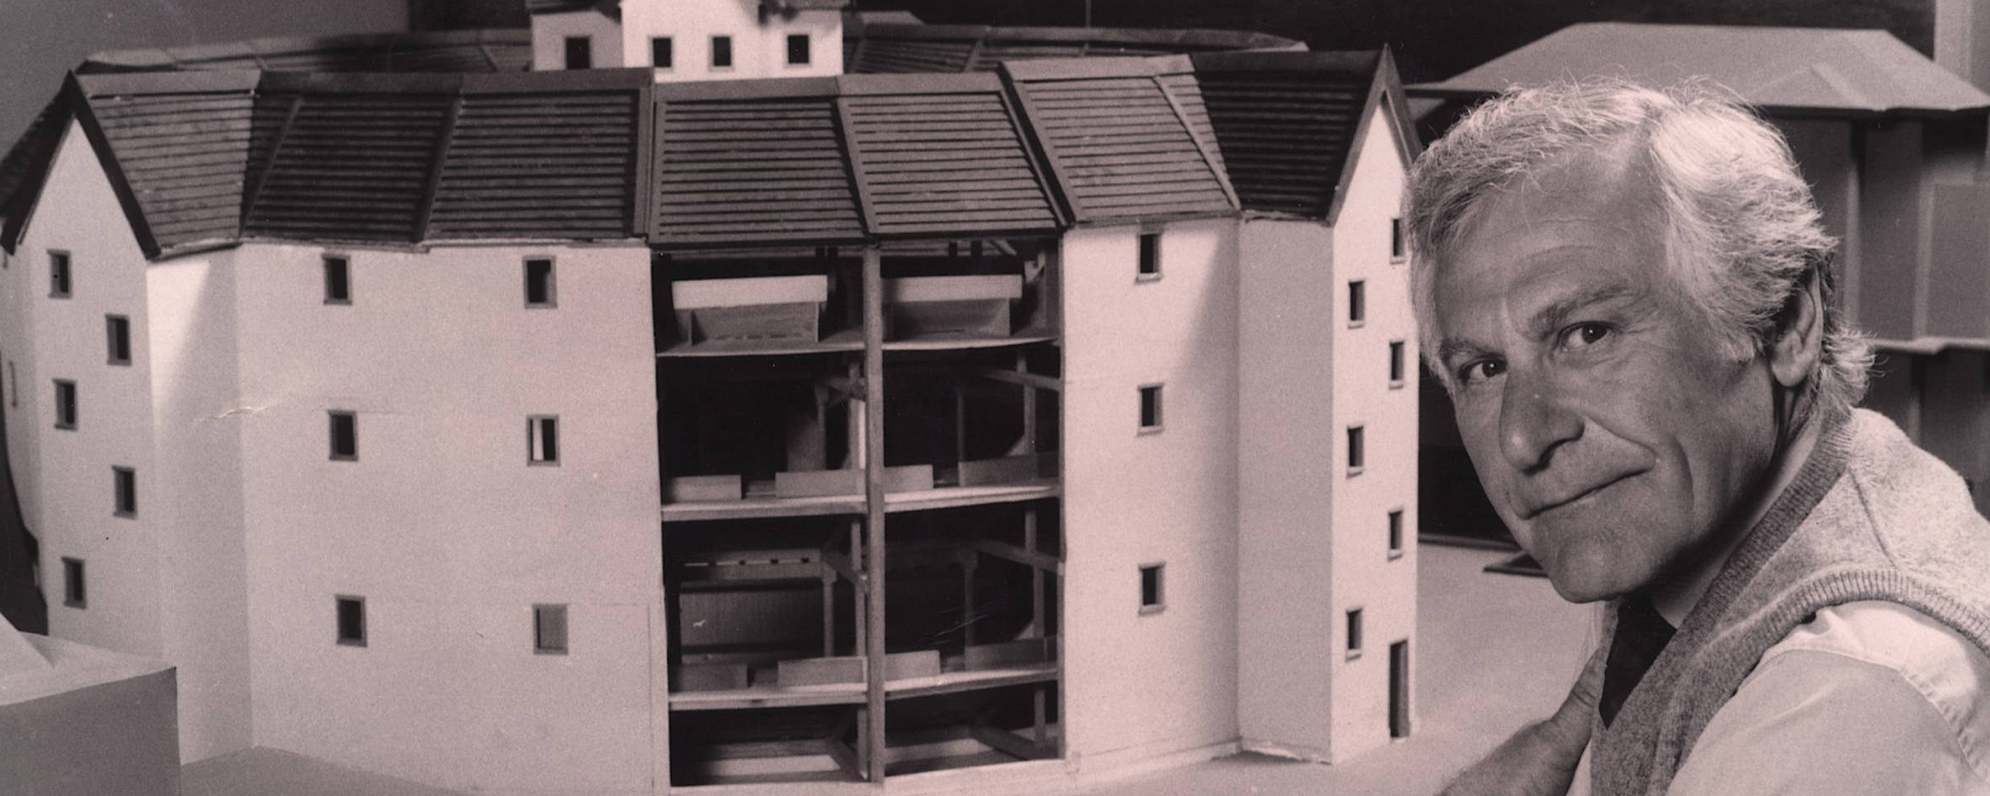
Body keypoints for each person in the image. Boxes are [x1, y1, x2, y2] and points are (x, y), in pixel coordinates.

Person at [1402, 79, 1990, 796]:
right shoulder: (1768, 498)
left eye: (1587, 335)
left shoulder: (1840, 701)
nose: (1524, 437)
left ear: (1784, 324)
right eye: (1484, 367)